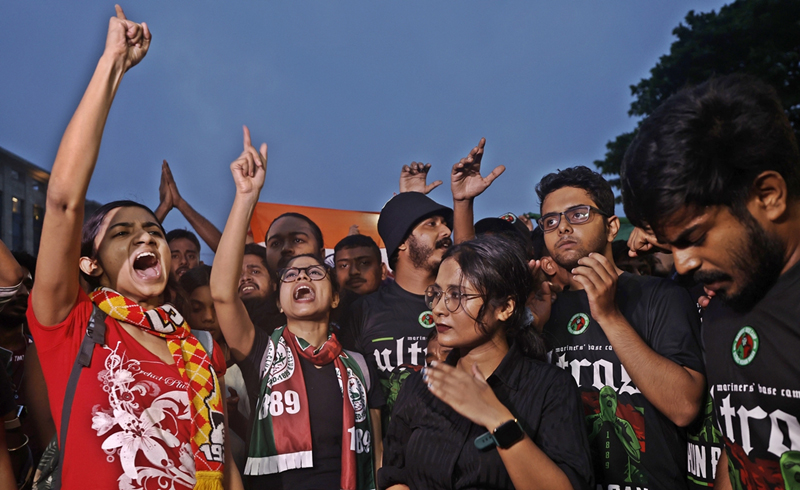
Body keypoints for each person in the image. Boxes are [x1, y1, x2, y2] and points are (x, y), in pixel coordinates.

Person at [26, 7, 233, 489]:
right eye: (121, 233)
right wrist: (112, 64)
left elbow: (223, 466)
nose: (146, 236)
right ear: (88, 264)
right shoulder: (71, 324)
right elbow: (63, 202)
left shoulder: (198, 350)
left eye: (154, 230)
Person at [620, 73, 800, 490]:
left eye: (695, 237)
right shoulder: (721, 305)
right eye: (670, 246)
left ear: (768, 195)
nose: (682, 264)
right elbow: (738, 451)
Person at [210, 127, 383, 489]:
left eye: (315, 271)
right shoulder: (261, 353)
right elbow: (223, 294)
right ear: (279, 300)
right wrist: (245, 198)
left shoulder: (361, 367)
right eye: (290, 275)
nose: (302, 275)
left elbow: (377, 456)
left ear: (334, 297)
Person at [535, 166, 706, 490]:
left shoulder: (660, 295)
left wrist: (610, 316)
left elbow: (684, 407)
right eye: (551, 221)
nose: (563, 227)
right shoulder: (544, 309)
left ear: (612, 227)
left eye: (578, 214)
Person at [380, 235, 593, 490]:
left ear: (505, 308)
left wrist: (495, 417)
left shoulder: (550, 388)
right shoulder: (419, 386)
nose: (438, 308)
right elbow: (393, 476)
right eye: (436, 294)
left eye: (457, 295)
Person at [179, 265, 249, 472]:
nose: (209, 317)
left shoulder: (250, 360)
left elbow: (266, 443)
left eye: (216, 308)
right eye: (197, 309)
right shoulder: (175, 362)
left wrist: (232, 417)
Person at [155, 159, 223, 258]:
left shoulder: (209, 270)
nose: (183, 261)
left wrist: (180, 203)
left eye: (191, 256)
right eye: (174, 256)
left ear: (200, 262)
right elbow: (134, 246)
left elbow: (230, 253)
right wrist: (164, 205)